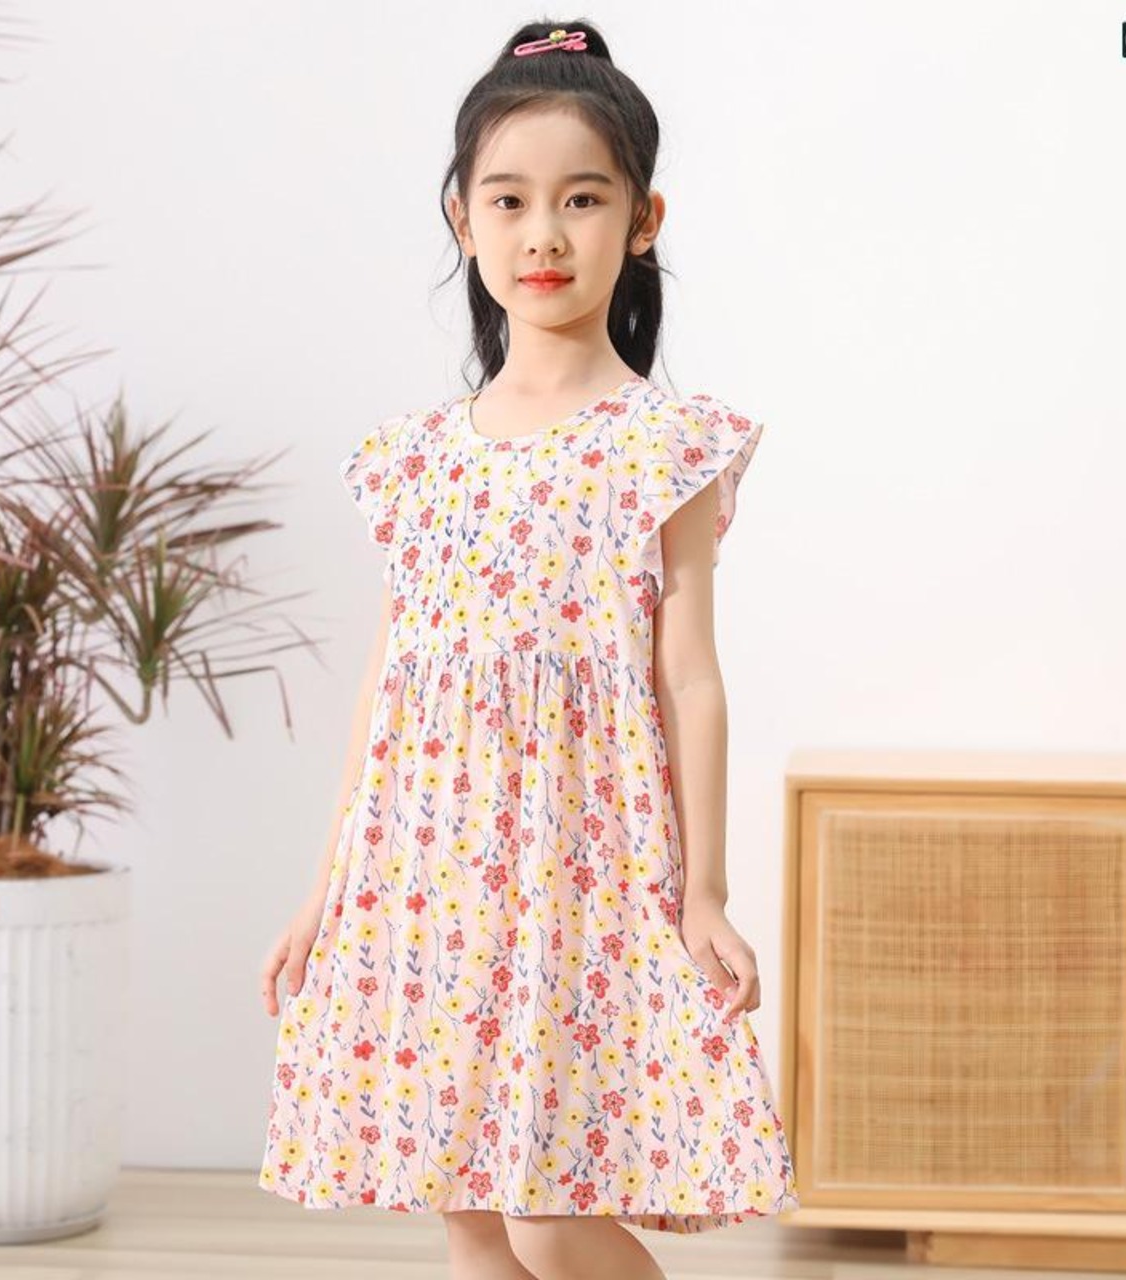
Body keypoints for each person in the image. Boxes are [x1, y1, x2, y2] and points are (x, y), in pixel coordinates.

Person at [256, 18, 799, 1280]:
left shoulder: (662, 443)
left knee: (548, 1208)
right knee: (464, 1200)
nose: (542, 233)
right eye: (507, 200)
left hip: (583, 872)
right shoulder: (415, 458)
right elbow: (391, 686)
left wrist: (704, 890)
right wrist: (329, 884)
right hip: (429, 874)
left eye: (581, 199)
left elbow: (688, 677)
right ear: (462, 219)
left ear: (641, 220)